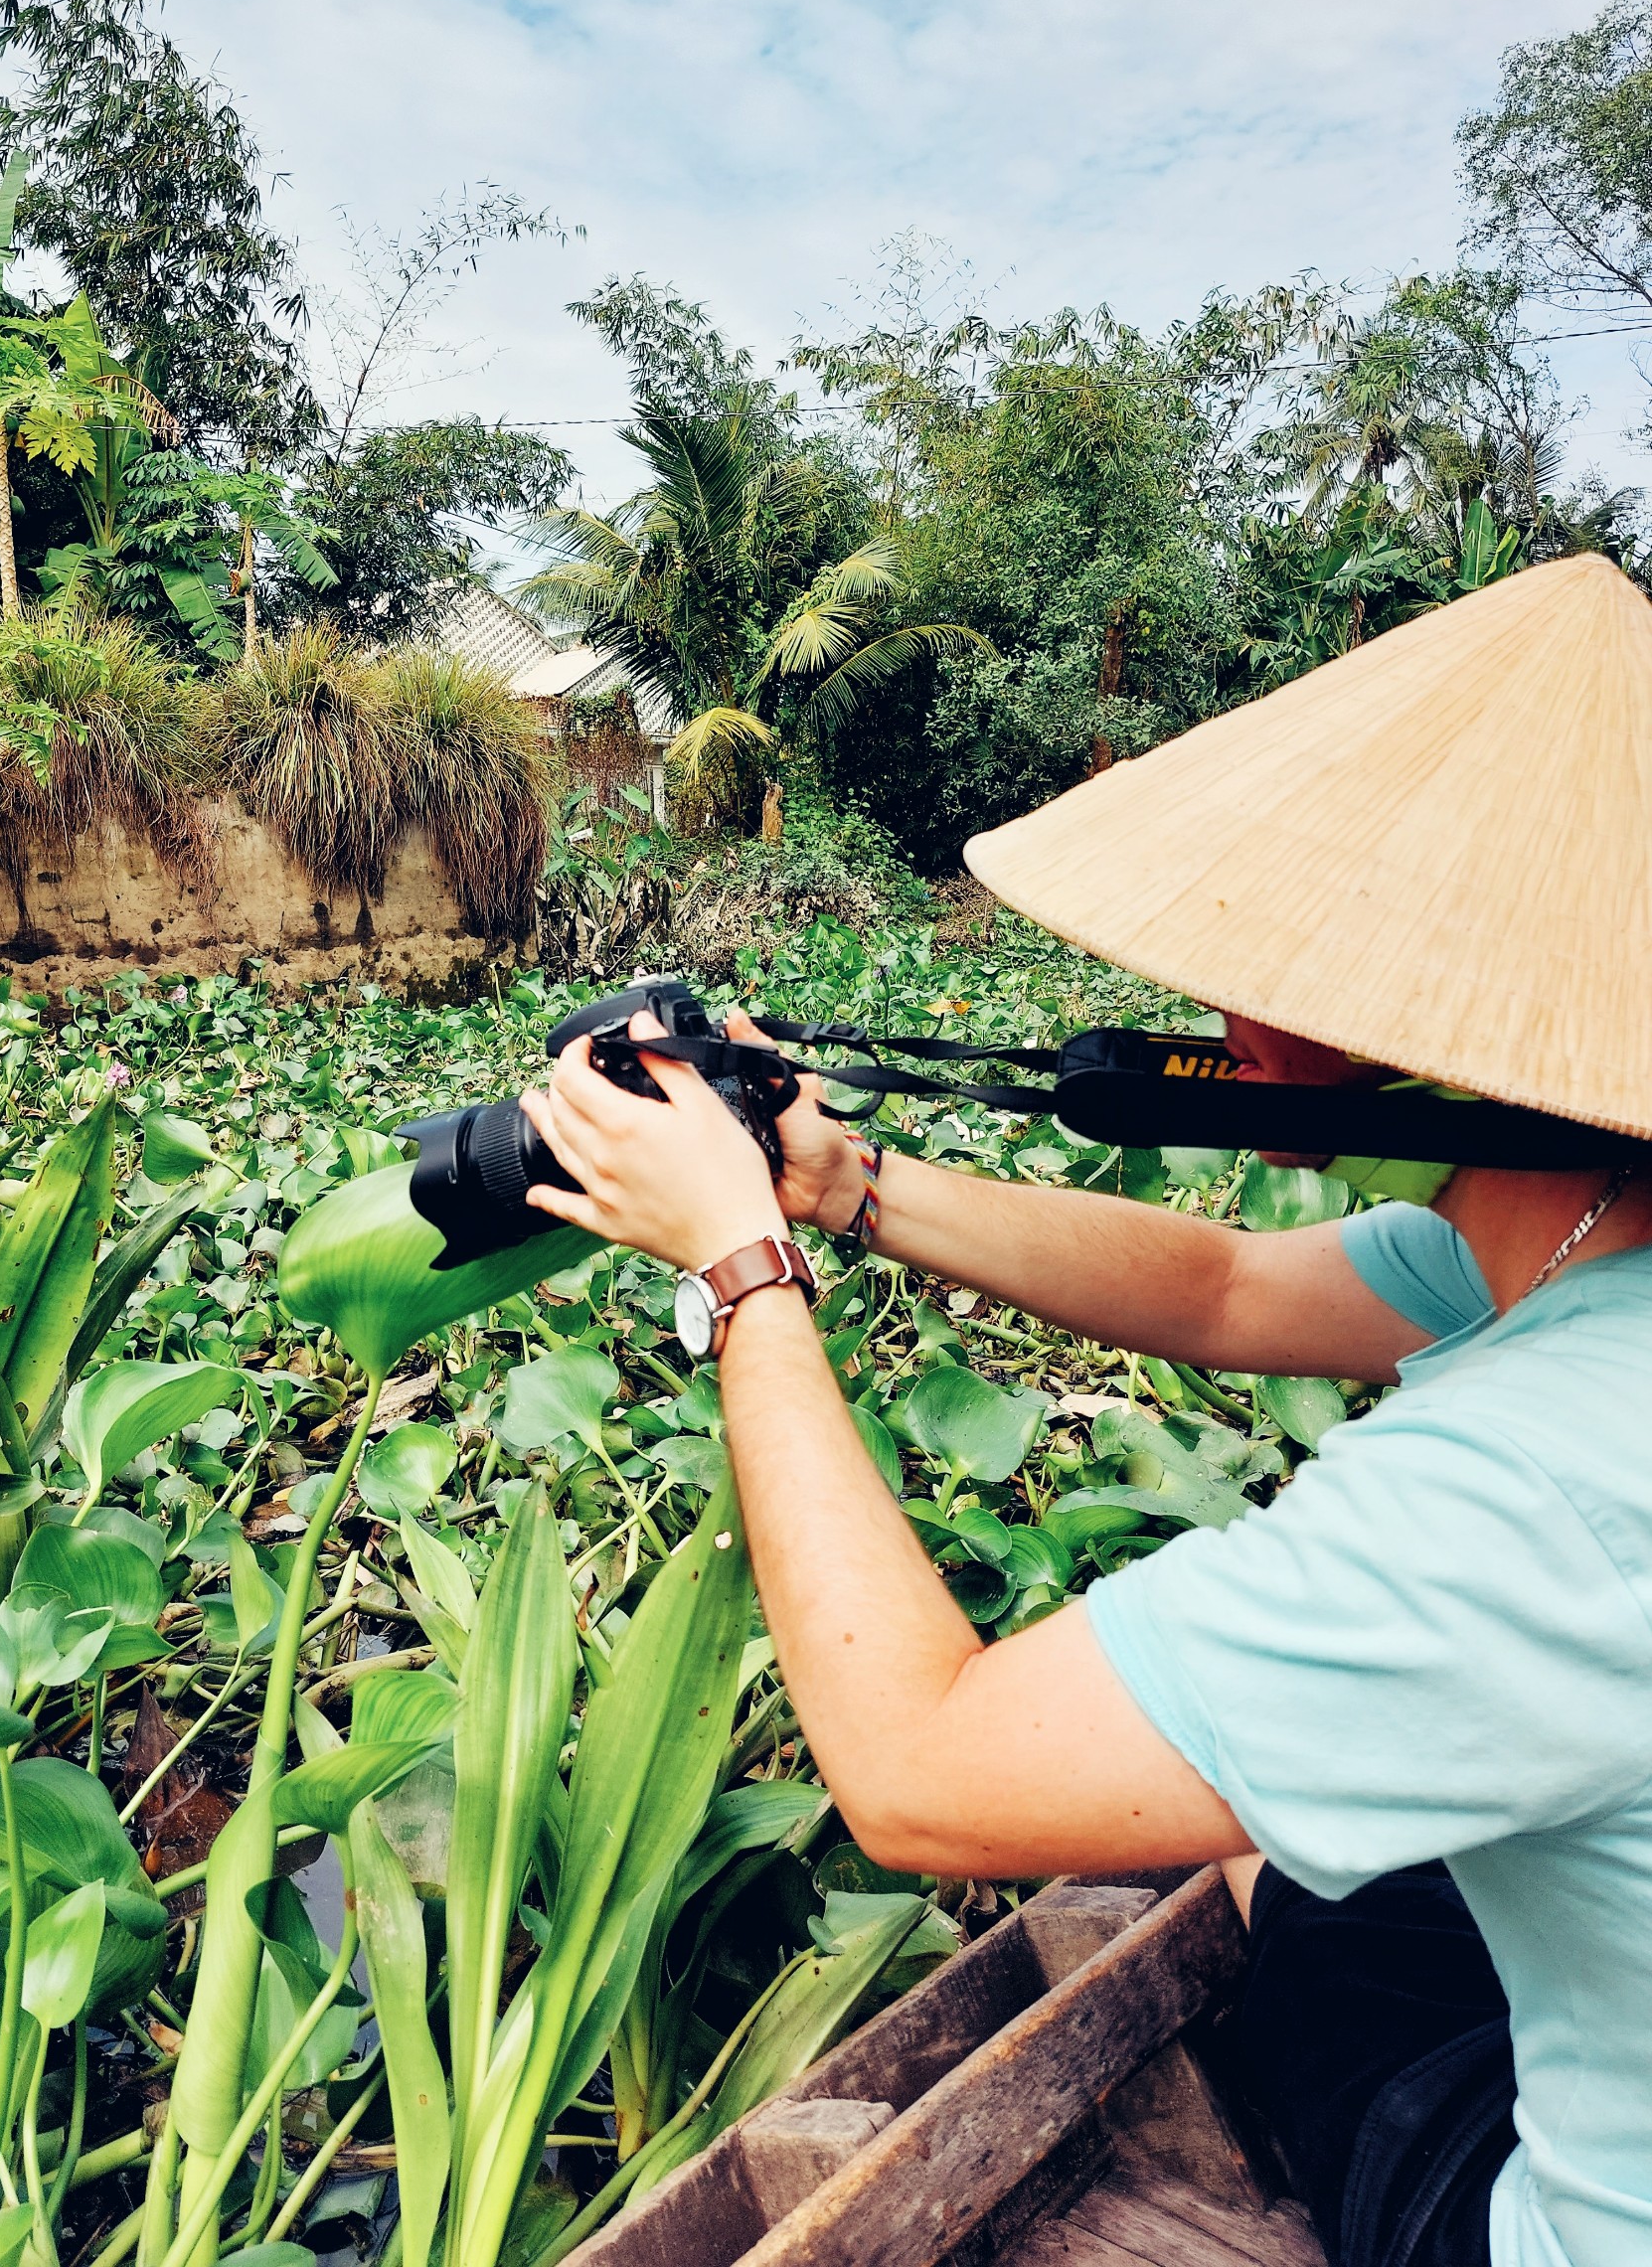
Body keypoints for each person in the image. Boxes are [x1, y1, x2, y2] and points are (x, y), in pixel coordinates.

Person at [518, 554, 1652, 2267]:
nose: (1223, 995)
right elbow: (1227, 1292)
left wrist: (743, 1272)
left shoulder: (1534, 1482)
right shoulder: (1557, 1243)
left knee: (1286, 1877)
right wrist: (841, 1181)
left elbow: (918, 1769)